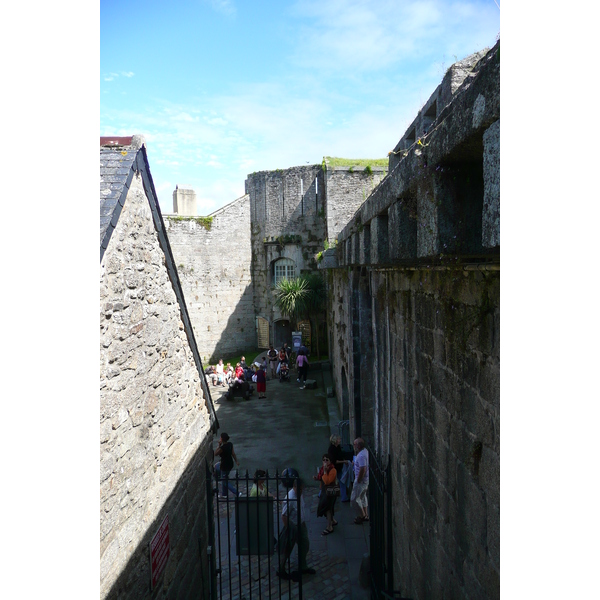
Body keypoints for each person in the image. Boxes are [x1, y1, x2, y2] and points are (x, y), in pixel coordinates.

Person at [277, 477, 316, 581]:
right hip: (293, 526)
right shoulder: (290, 498)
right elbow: (284, 516)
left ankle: (303, 566)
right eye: (299, 489)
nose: (301, 491)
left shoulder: (299, 494)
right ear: (294, 487)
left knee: (304, 544)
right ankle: (281, 570)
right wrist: (289, 529)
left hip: (301, 524)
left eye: (302, 489)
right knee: (287, 549)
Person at [316, 454, 338, 535]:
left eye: (327, 460)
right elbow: (321, 478)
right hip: (324, 491)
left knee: (327, 508)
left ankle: (329, 527)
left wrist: (325, 472)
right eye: (324, 460)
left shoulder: (332, 470)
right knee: (329, 507)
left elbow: (327, 481)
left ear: (330, 461)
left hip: (330, 492)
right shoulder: (322, 469)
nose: (325, 461)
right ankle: (332, 520)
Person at [214, 433, 239, 499]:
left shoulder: (222, 448)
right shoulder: (230, 444)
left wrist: (219, 445)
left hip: (224, 465)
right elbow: (233, 454)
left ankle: (237, 493)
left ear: (221, 439)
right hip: (230, 463)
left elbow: (215, 453)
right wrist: (236, 461)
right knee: (224, 477)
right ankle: (224, 494)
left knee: (224, 481)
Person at [351, 438, 369, 523]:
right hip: (365, 481)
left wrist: (358, 480)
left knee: (355, 499)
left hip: (361, 481)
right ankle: (366, 515)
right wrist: (355, 463)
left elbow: (363, 468)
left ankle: (362, 515)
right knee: (362, 497)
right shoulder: (365, 451)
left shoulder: (361, 455)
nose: (353, 446)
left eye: (354, 444)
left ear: (358, 446)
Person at [328, 434, 350, 502]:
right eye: (338, 439)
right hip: (333, 468)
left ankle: (344, 497)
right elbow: (334, 461)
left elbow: (341, 455)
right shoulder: (331, 449)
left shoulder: (338, 447)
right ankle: (323, 494)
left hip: (339, 468)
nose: (340, 440)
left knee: (341, 482)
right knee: (330, 482)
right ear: (335, 440)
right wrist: (344, 461)